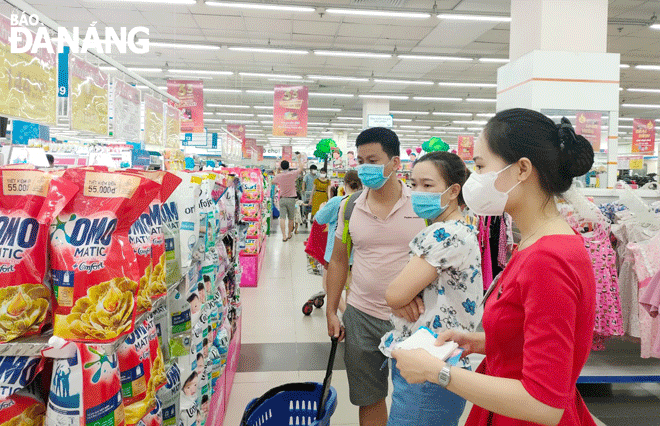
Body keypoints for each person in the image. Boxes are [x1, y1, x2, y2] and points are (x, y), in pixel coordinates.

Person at [392, 108, 597, 426]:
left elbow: (544, 403)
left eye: (480, 166)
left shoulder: (548, 260)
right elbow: (539, 339)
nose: (473, 179)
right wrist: (483, 342)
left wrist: (438, 372)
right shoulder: (531, 244)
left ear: (522, 170)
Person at [326, 127, 425, 426]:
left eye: (373, 159)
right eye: (360, 160)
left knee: (416, 400)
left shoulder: (422, 205)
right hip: (361, 316)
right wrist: (331, 309)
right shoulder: (349, 207)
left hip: (415, 318)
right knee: (369, 398)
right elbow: (339, 261)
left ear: (395, 163)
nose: (365, 167)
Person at [380, 151, 483, 426]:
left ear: (453, 191)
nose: (417, 192)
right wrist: (402, 296)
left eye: (428, 185)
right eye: (413, 184)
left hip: (429, 362)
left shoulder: (444, 234)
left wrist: (400, 297)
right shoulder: (462, 228)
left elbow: (394, 294)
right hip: (436, 360)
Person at [315, 170, 363, 314]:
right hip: (358, 256)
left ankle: (346, 316)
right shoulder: (364, 202)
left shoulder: (337, 201)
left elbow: (319, 219)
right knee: (350, 289)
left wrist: (321, 208)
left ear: (345, 184)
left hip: (335, 255)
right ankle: (351, 318)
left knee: (329, 287)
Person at [272, 154, 305, 241]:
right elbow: (301, 168)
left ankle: (283, 236)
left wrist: (278, 174)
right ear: (289, 166)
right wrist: (298, 159)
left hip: (282, 199)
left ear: (281, 167)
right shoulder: (292, 174)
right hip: (291, 199)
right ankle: (289, 234)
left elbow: (272, 181)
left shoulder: (279, 176)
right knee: (291, 218)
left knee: (282, 218)